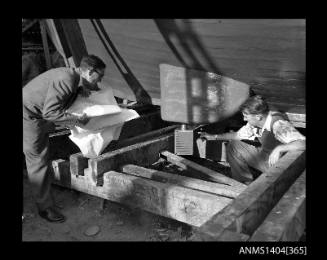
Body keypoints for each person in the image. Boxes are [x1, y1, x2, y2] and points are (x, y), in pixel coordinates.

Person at [23, 54, 106, 222]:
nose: (99, 81)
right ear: (90, 72)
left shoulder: (71, 76)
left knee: (38, 149)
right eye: (100, 76)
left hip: (33, 110)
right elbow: (50, 113)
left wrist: (79, 91)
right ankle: (45, 208)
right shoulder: (67, 80)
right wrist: (77, 120)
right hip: (29, 115)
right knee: (38, 159)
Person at [199, 95, 305, 184]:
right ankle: (244, 183)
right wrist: (214, 137)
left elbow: (303, 143)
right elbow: (237, 135)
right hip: (267, 159)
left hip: (283, 167)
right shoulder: (255, 123)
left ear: (258, 117)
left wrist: (280, 149)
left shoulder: (278, 125)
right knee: (235, 145)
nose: (244, 119)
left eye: (246, 116)